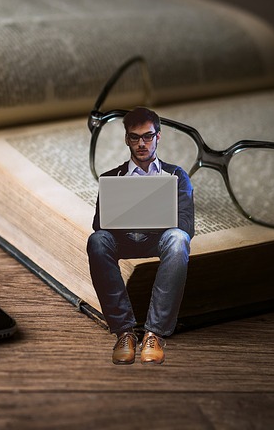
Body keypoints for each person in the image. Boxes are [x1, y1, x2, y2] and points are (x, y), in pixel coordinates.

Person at [87, 106, 194, 365]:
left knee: (178, 240)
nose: (141, 143)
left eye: (147, 136)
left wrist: (151, 216)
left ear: (158, 136)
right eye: (135, 137)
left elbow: (187, 225)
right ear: (127, 139)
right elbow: (99, 224)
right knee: (97, 241)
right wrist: (126, 214)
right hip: (124, 239)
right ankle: (124, 332)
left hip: (159, 239)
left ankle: (154, 333)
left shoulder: (176, 175)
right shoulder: (112, 177)